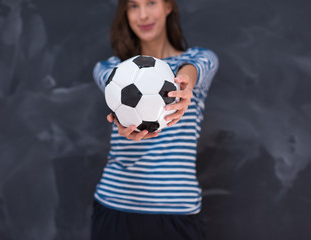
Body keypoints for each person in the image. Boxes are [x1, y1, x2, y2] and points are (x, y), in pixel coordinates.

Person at [91, 0, 218, 239]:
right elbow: (110, 79)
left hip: (178, 213)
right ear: (125, 13)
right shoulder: (110, 68)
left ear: (168, 6)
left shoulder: (199, 59)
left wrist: (184, 82)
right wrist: (122, 125)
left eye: (151, 3)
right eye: (133, 6)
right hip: (115, 207)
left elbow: (194, 67)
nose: (143, 15)